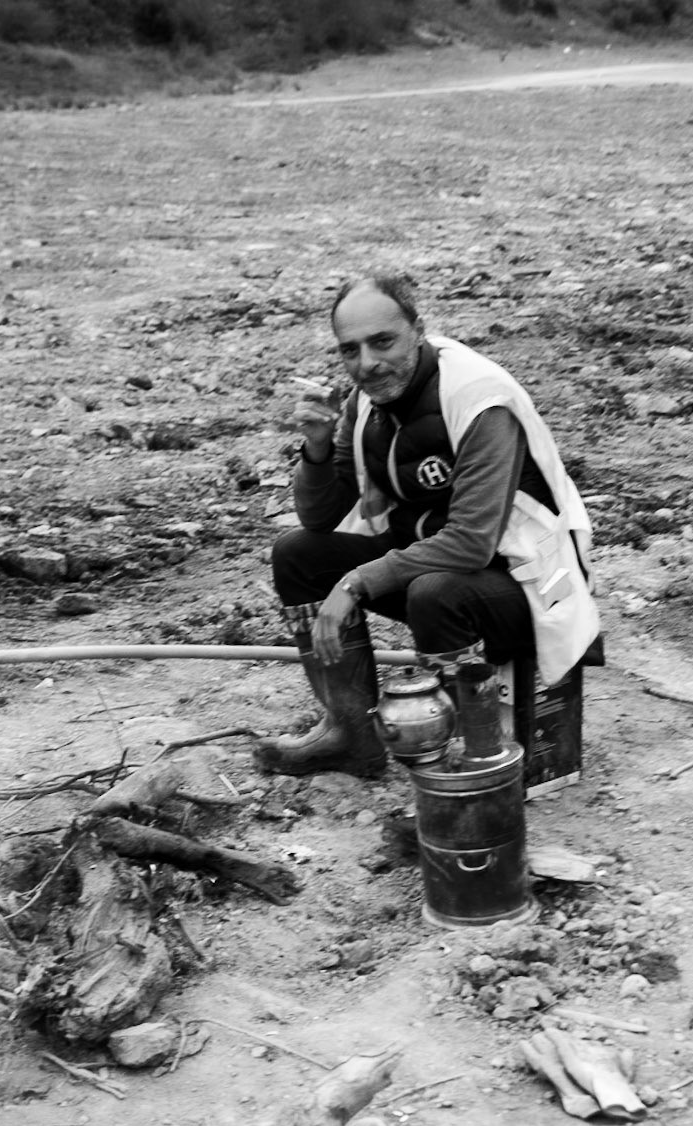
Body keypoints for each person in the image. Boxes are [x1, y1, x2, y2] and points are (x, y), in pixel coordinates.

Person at [257, 273, 601, 778]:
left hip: (528, 582)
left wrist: (356, 583)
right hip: (433, 562)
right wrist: (315, 447)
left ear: (418, 330)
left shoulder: (478, 397)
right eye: (350, 350)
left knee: (435, 592)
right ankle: (351, 736)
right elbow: (320, 517)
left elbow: (469, 544)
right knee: (297, 555)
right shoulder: (364, 402)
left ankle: (470, 767)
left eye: (382, 342)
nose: (367, 364)